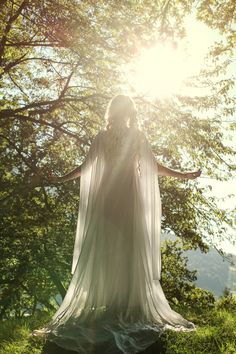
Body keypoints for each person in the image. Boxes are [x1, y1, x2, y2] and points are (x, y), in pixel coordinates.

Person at [32, 94, 201, 354]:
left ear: (112, 112)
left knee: (109, 248)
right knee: (128, 246)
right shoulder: (135, 136)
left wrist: (62, 178)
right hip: (127, 197)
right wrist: (183, 174)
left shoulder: (103, 137)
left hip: (107, 198)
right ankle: (123, 303)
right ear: (130, 111)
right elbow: (153, 167)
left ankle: (116, 303)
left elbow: (85, 168)